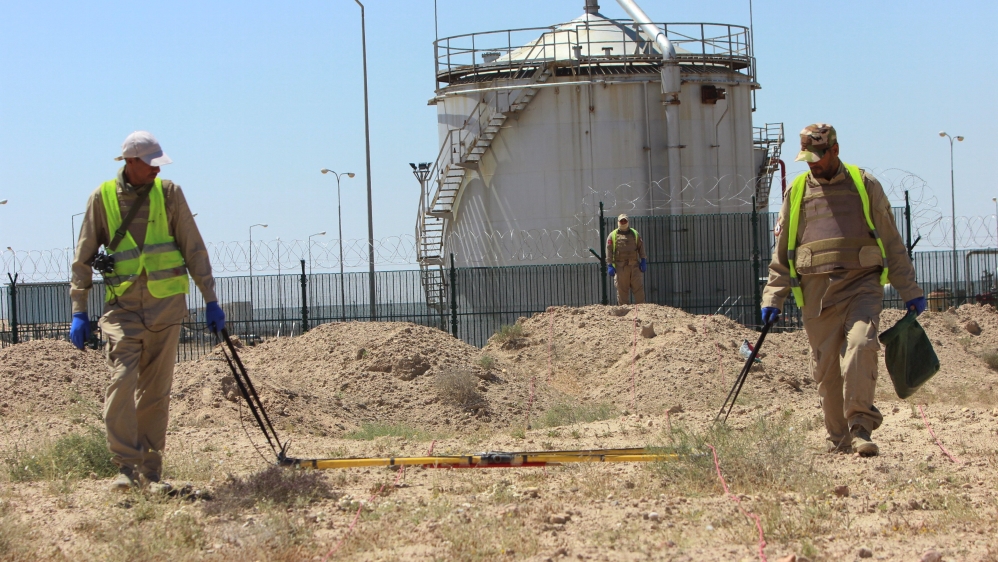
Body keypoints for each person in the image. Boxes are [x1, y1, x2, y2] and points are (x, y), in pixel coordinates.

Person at [69, 131, 226, 492]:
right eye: (151, 164)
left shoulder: (169, 194)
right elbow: (83, 258)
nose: (157, 170)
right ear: (131, 162)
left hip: (165, 309)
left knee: (156, 394)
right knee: (121, 384)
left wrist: (210, 298)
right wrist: (79, 309)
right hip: (122, 310)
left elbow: (194, 248)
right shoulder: (102, 197)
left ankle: (151, 473)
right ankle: (125, 467)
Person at [761, 124, 926, 457]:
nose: (812, 164)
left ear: (834, 151)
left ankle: (861, 427)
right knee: (825, 370)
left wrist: (909, 289)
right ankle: (838, 438)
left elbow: (892, 242)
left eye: (817, 157)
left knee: (862, 344)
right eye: (807, 158)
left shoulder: (864, 186)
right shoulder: (796, 192)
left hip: (861, 285)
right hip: (815, 292)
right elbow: (782, 253)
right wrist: (773, 297)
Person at [605, 213, 647, 304]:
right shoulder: (612, 235)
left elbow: (641, 247)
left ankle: (642, 311)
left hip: (634, 266)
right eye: (621, 221)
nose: (623, 222)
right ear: (618, 222)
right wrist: (609, 265)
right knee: (622, 291)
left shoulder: (635, 233)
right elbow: (609, 250)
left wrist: (643, 260)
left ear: (628, 222)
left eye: (625, 221)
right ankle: (624, 312)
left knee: (639, 289)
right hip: (621, 267)